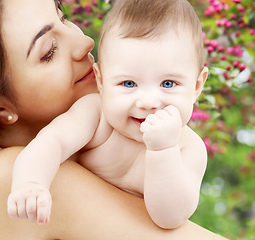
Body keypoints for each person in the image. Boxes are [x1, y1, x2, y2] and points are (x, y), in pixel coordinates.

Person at [0, 0, 226, 239]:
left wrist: (163, 152)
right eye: (48, 51)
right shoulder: (95, 115)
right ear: (101, 79)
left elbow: (170, 218)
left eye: (63, 17)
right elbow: (52, 142)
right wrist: (31, 183)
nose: (147, 101)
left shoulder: (185, 146)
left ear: (197, 85)